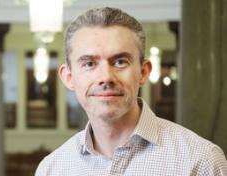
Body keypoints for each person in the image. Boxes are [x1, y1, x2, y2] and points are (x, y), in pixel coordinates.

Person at [35, 7, 227, 175]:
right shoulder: (52, 169)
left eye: (120, 62)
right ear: (69, 78)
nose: (106, 77)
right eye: (89, 64)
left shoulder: (201, 162)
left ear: (143, 72)